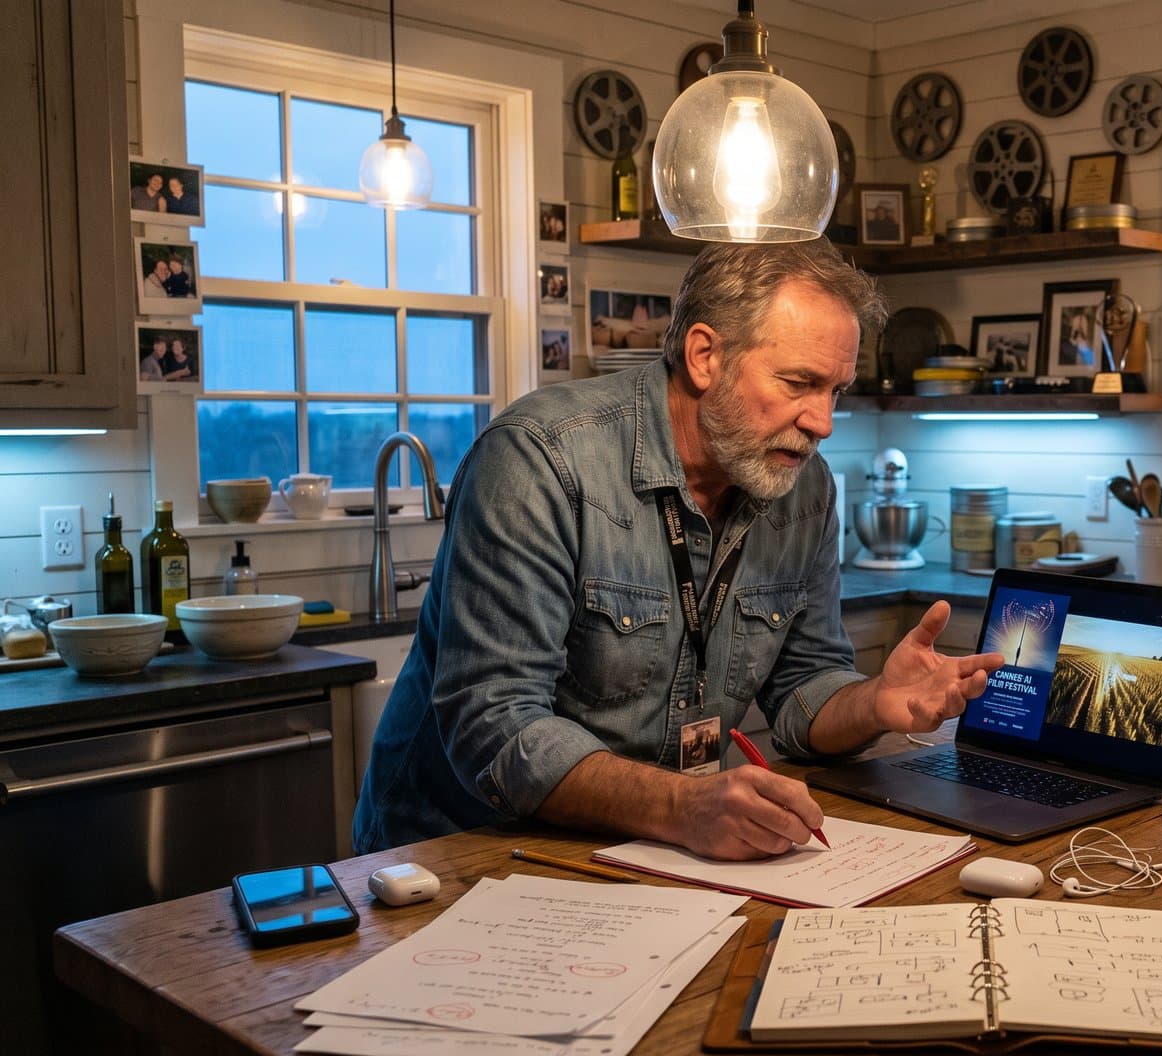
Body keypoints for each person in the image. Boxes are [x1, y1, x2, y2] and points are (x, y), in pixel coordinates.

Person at [354, 240, 1003, 857]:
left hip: (652, 847)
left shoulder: (805, 490)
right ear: (703, 356)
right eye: (799, 382)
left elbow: (804, 685)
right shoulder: (540, 459)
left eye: (835, 390)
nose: (823, 422)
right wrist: (682, 805)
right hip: (456, 851)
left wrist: (875, 703)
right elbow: (495, 727)